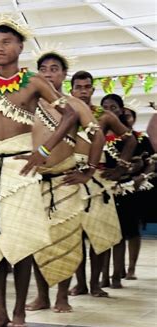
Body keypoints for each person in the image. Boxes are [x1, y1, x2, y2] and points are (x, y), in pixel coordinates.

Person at [0, 15, 79, 327]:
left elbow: (68, 117)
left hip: (21, 168)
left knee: (20, 243)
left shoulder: (35, 82)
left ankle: (19, 313)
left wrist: (44, 150)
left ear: (20, 47)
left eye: (6, 42)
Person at [26, 51, 105, 313]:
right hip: (33, 181)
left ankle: (62, 297)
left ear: (63, 74)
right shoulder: (28, 103)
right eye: (44, 69)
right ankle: (42, 296)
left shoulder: (76, 105)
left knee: (67, 239)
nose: (49, 74)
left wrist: (89, 172)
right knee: (37, 241)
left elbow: (99, 139)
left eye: (55, 69)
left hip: (65, 181)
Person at [69, 71, 135, 294]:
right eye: (79, 87)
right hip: (71, 179)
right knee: (74, 235)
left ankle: (96, 283)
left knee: (100, 234)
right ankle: (80, 283)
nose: (83, 91)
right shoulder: (64, 113)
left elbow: (131, 140)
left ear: (93, 90)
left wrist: (120, 168)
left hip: (97, 179)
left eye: (87, 87)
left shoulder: (104, 116)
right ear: (72, 90)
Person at [100, 94, 154, 285]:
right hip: (104, 189)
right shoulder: (98, 135)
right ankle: (104, 276)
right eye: (105, 106)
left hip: (128, 189)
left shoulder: (134, 138)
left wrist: (139, 172)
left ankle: (122, 272)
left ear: (121, 111)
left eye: (113, 107)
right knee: (107, 234)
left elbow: (148, 161)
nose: (109, 110)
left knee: (127, 231)